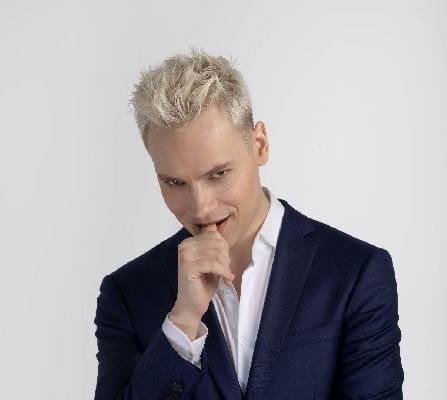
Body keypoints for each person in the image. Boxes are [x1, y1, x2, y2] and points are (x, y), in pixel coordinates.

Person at [93, 47, 404, 400]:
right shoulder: (127, 293)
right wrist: (182, 324)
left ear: (259, 145)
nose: (201, 207)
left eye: (218, 174)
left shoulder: (355, 272)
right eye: (175, 182)